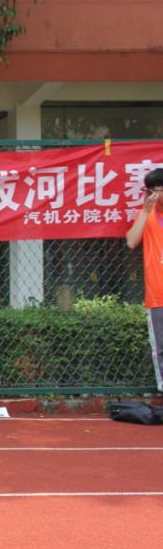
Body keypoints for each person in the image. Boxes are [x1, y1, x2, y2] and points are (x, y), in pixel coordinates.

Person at [125, 167, 163, 394]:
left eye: (157, 190)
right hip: (158, 294)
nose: (154, 195)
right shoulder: (147, 214)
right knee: (161, 348)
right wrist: (146, 211)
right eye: (151, 191)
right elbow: (131, 241)